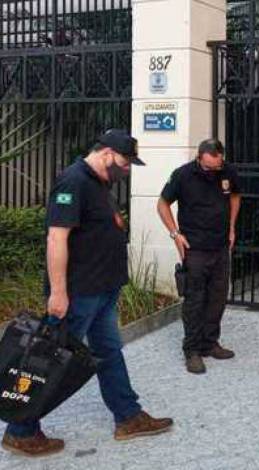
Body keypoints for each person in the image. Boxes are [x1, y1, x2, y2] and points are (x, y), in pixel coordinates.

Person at [2, 130, 174, 458]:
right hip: (78, 294)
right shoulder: (73, 181)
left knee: (108, 352)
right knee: (48, 358)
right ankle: (20, 431)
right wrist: (58, 292)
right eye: (125, 162)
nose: (127, 168)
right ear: (107, 153)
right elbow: (56, 238)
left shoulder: (99, 183)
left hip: (102, 291)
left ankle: (128, 416)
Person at [157, 139, 242, 375]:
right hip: (194, 248)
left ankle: (210, 343)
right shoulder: (183, 175)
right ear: (200, 157)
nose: (215, 169)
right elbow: (162, 204)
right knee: (195, 300)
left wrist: (232, 227)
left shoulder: (228, 171)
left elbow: (235, 196)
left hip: (220, 246)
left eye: (218, 164)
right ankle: (192, 350)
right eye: (210, 165)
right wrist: (175, 234)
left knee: (217, 297)